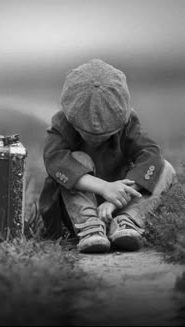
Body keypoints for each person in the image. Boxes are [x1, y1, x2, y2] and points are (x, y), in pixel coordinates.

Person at [39, 59, 176, 253]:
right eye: (87, 134)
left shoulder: (128, 120)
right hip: (75, 212)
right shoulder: (61, 124)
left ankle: (127, 221)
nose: (96, 139)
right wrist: (104, 187)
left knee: (164, 167)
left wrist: (115, 198)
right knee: (77, 158)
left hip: (118, 204)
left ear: (121, 119)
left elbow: (151, 156)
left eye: (106, 134)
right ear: (72, 118)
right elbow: (54, 162)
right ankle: (90, 227)